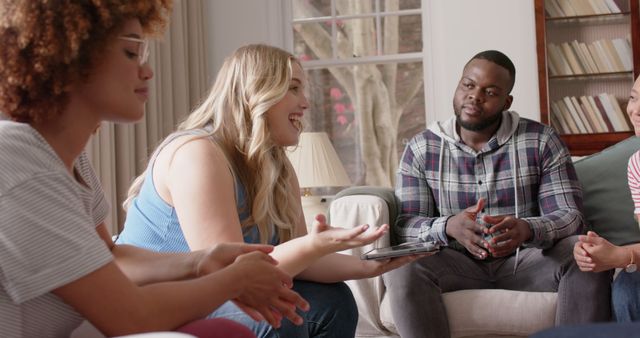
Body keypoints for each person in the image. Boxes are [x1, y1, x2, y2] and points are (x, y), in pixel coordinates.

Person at [0, 2, 309, 338]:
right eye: (132, 53)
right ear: (70, 57)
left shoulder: (70, 162)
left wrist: (200, 261)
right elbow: (132, 316)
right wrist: (234, 279)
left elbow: (113, 256)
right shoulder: (20, 164)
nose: (147, 71)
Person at [116, 43, 423, 338]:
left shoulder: (277, 165)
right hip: (162, 295)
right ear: (256, 93)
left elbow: (301, 262)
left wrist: (368, 265)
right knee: (277, 320)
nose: (305, 102)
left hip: (217, 290)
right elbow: (231, 273)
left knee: (334, 302)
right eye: (292, 88)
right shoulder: (199, 154)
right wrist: (313, 245)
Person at [381, 50, 612, 338]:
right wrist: (448, 226)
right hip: (455, 264)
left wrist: (527, 229)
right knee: (402, 267)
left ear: (506, 101)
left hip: (527, 261)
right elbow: (406, 226)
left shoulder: (541, 140)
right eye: (468, 85)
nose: (475, 96)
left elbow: (571, 217)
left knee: (587, 252)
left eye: (489, 92)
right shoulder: (421, 148)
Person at [530, 75, 640, 338]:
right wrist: (610, 254)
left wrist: (623, 256)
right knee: (628, 288)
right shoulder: (637, 164)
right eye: (634, 98)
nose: (635, 111)